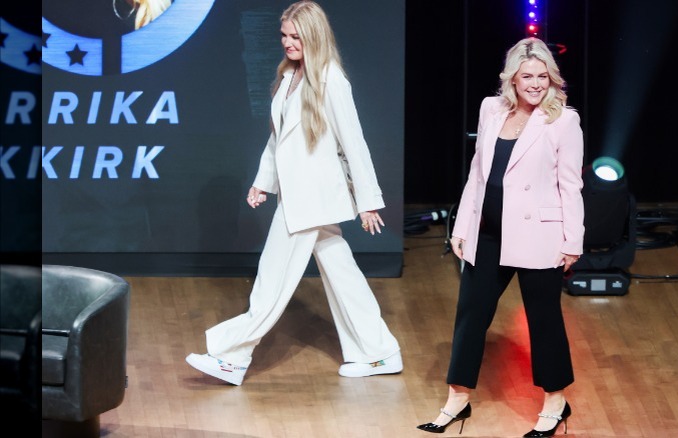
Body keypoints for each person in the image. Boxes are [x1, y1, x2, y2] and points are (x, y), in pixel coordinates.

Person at [186, 0, 402, 386]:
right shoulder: (290, 77)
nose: (287, 42)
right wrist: (262, 182)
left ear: (313, 35)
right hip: (299, 199)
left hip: (312, 201)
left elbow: (355, 143)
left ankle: (232, 356)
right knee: (342, 274)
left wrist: (368, 201)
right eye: (284, 35)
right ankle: (379, 352)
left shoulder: (331, 79)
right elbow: (278, 139)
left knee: (272, 279)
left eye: (295, 36)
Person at [417, 37, 584, 437]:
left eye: (543, 76)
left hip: (538, 236)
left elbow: (570, 185)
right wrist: (461, 226)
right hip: (488, 233)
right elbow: (478, 174)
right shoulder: (491, 109)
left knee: (543, 321)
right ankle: (457, 399)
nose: (535, 84)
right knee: (470, 314)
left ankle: (555, 402)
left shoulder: (564, 120)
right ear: (511, 78)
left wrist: (572, 241)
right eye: (527, 76)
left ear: (552, 78)